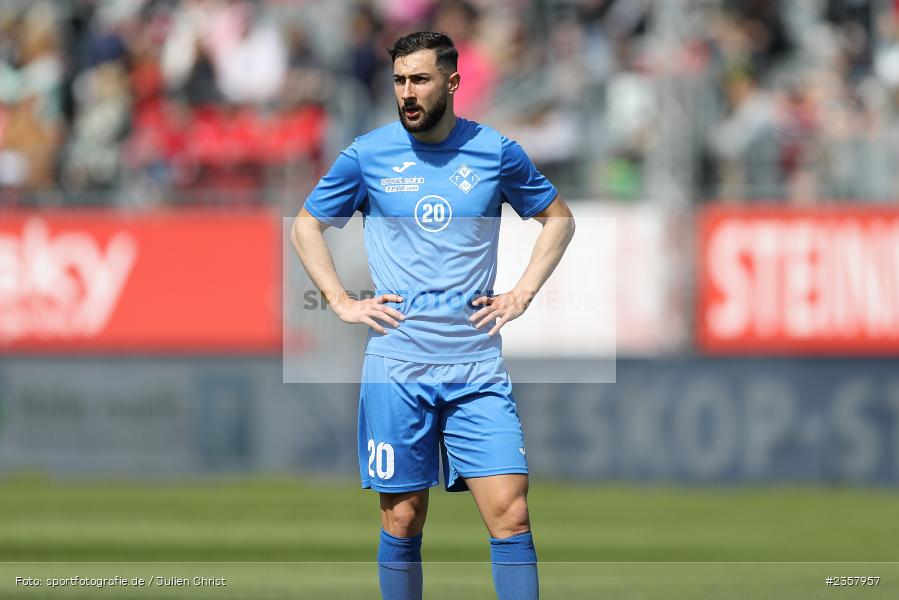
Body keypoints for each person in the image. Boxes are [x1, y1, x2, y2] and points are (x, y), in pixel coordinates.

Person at [291, 31, 575, 600]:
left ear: (451, 81)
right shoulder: (368, 155)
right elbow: (306, 226)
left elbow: (558, 220)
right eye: (398, 81)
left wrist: (520, 293)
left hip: (476, 370)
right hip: (398, 368)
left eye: (418, 80)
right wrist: (342, 302)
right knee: (402, 519)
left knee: (512, 514)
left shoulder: (494, 152)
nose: (406, 93)